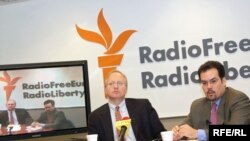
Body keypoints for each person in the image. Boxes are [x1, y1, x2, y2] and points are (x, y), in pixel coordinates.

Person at [172, 60, 250, 141]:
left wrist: (198, 134)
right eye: (204, 83)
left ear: (223, 81)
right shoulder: (197, 105)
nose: (209, 86)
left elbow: (236, 132)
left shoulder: (238, 99)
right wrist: (177, 131)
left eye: (213, 81)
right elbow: (185, 128)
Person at [88, 70, 166, 141]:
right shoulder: (95, 117)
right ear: (105, 89)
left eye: (120, 83)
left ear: (126, 88)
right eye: (111, 84)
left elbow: (161, 134)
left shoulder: (143, 107)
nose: (115, 87)